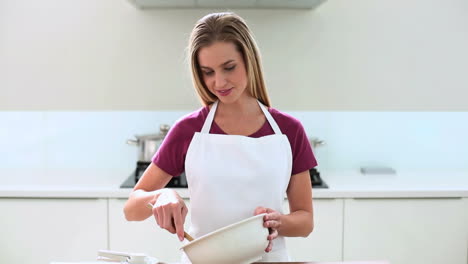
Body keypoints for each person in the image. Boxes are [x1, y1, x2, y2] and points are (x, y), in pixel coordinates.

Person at [123, 12, 317, 262]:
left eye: (229, 68)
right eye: (207, 72)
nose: (219, 82)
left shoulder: (289, 130)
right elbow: (131, 208)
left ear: (249, 60)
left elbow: (305, 220)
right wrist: (161, 195)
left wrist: (278, 222)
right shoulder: (188, 129)